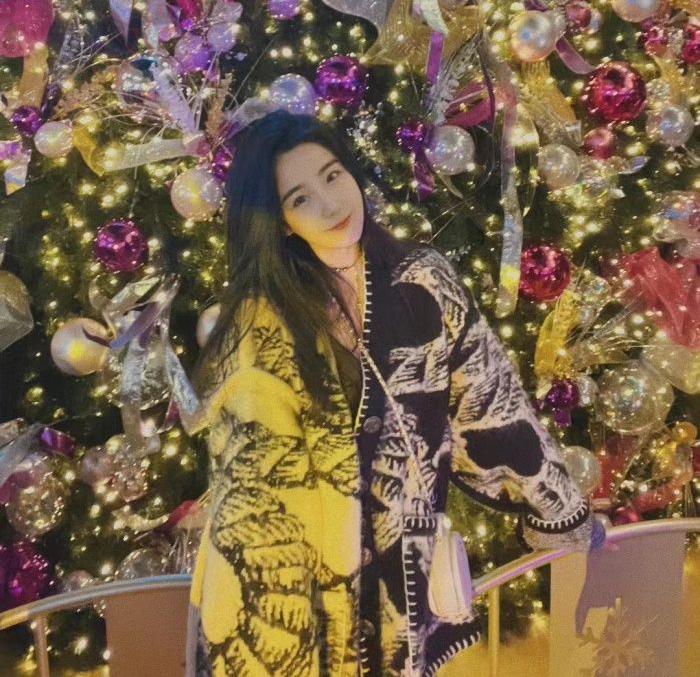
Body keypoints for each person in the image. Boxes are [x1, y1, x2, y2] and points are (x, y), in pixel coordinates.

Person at [177, 108, 602, 677]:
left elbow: (491, 403)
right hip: (292, 606)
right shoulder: (257, 325)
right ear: (280, 222)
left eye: (332, 175)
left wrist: (561, 510)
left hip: (401, 581)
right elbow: (252, 498)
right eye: (300, 198)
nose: (330, 204)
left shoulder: (422, 279)